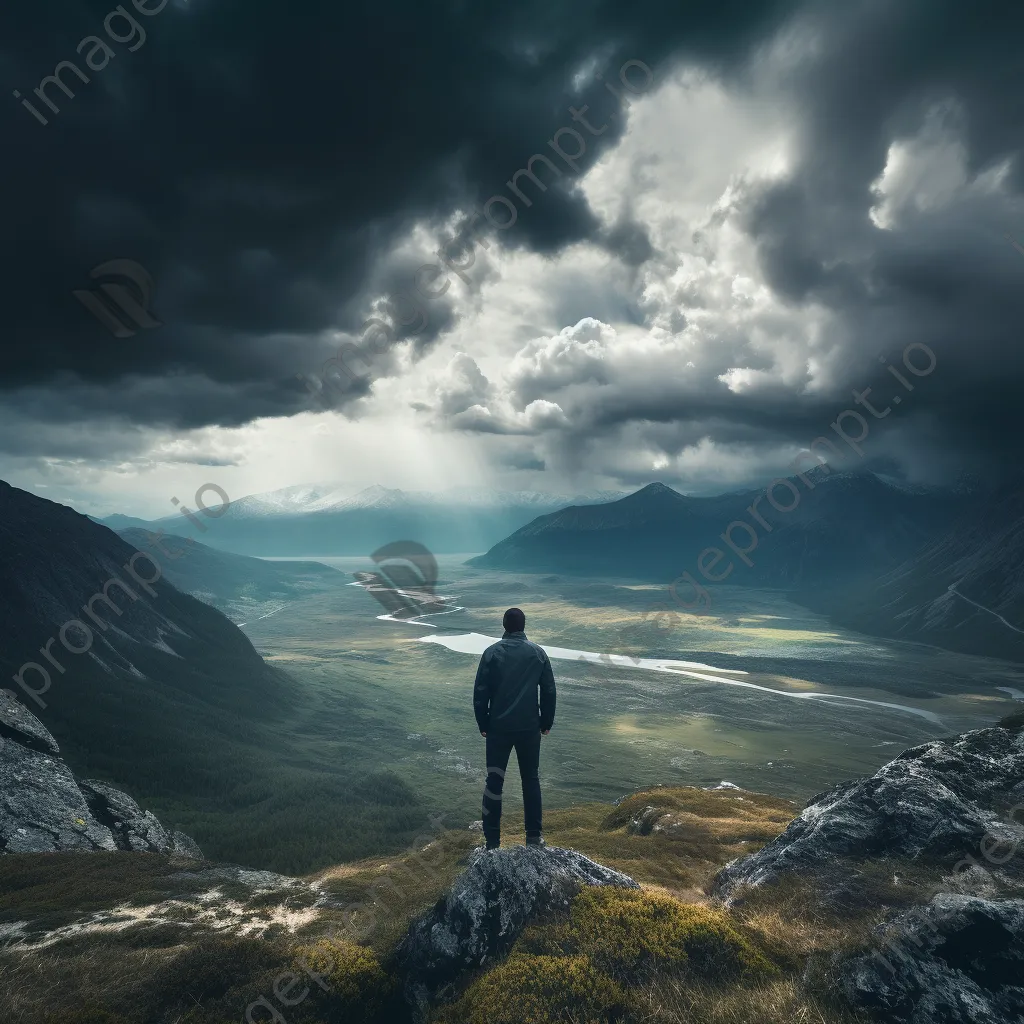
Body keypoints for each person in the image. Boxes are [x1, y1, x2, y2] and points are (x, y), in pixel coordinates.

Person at [473, 607, 556, 850]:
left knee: (494, 781)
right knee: (530, 779)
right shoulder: (537, 653)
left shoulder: (491, 653)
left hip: (498, 728)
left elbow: (480, 692)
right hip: (529, 728)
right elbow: (549, 690)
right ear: (523, 626)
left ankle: (491, 843)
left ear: (504, 625)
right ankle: (533, 837)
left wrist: (483, 723)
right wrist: (545, 722)